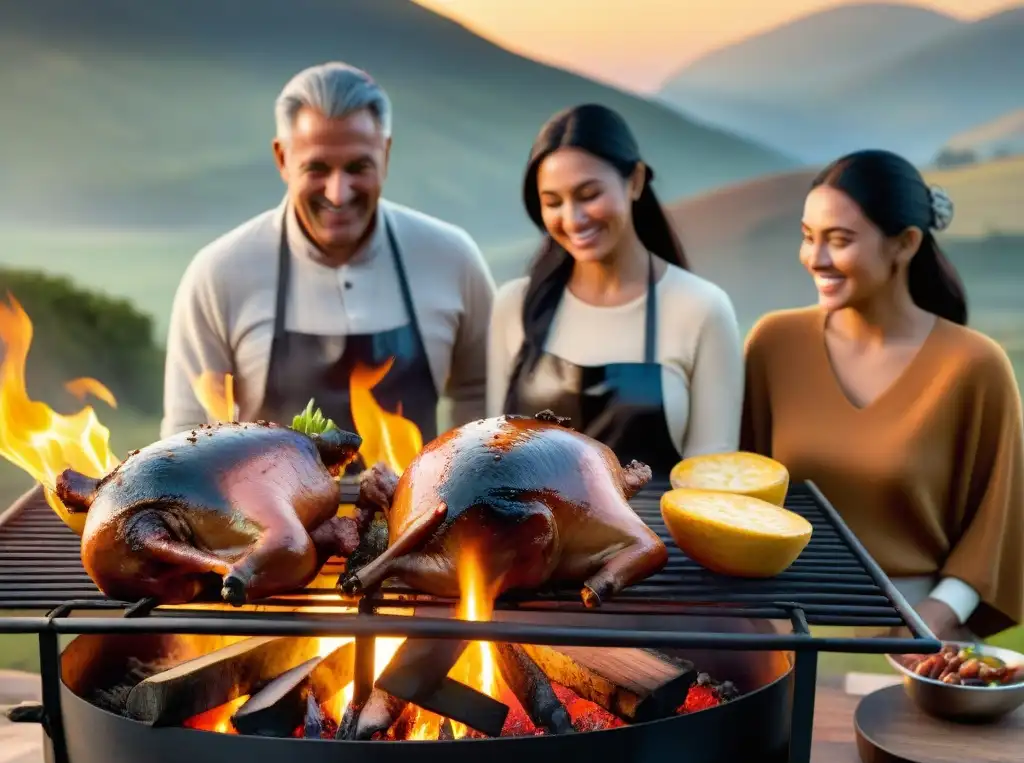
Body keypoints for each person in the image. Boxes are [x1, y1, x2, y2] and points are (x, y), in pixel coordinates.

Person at [742, 149, 1023, 640]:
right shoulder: (773, 344)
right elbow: (739, 493)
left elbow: (996, 526)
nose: (816, 258)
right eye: (809, 237)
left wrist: (932, 619)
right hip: (784, 625)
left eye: (840, 240)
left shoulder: (974, 366)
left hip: (915, 633)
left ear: (906, 243)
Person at [162, 62, 496, 446]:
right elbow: (184, 436)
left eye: (358, 167)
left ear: (385, 154)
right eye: (317, 168)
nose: (338, 193)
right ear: (282, 159)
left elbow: (481, 393)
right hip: (268, 508)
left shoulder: (451, 258)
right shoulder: (219, 274)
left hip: (419, 507)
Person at [488, 104, 743, 477]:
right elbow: (491, 459)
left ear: (635, 181)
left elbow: (712, 484)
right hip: (534, 535)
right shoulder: (515, 306)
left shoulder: (702, 309)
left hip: (657, 535)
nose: (573, 219)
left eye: (589, 194)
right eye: (553, 202)